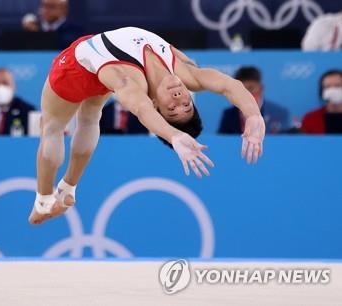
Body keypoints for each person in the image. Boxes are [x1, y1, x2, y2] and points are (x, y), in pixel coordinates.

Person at [29, 27, 265, 225]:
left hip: (75, 69)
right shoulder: (186, 72)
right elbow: (229, 85)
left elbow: (142, 110)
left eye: (172, 109)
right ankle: (68, 188)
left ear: (155, 104)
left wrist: (174, 136)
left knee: (51, 127)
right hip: (99, 63)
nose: (179, 100)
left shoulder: (130, 82)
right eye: (187, 105)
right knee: (90, 114)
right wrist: (254, 115)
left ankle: (44, 200)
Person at [218, 66, 290, 134]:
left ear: (261, 88)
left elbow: (284, 142)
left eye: (251, 88)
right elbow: (222, 142)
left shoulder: (279, 113)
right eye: (242, 89)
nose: (247, 94)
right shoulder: (229, 115)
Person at [301, 70, 342, 134]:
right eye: (328, 87)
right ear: (322, 91)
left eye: (337, 86)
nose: (332, 90)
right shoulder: (310, 118)